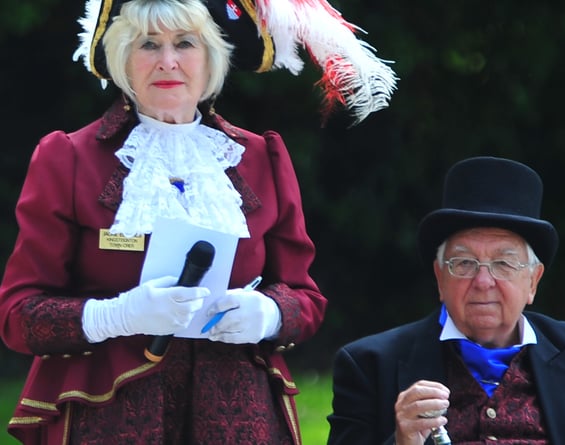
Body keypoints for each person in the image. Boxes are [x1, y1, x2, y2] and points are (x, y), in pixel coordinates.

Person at [0, 0, 396, 444]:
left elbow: (305, 300)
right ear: (122, 59)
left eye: (185, 43)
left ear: (212, 56)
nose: (168, 61)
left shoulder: (261, 157)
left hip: (239, 420)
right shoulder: (68, 157)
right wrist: (115, 316)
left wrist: (267, 314)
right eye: (148, 44)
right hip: (107, 420)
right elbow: (19, 315)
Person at [326, 156, 565, 445]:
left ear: (533, 281)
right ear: (439, 278)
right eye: (464, 263)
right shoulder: (369, 365)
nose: (483, 282)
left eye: (503, 263)